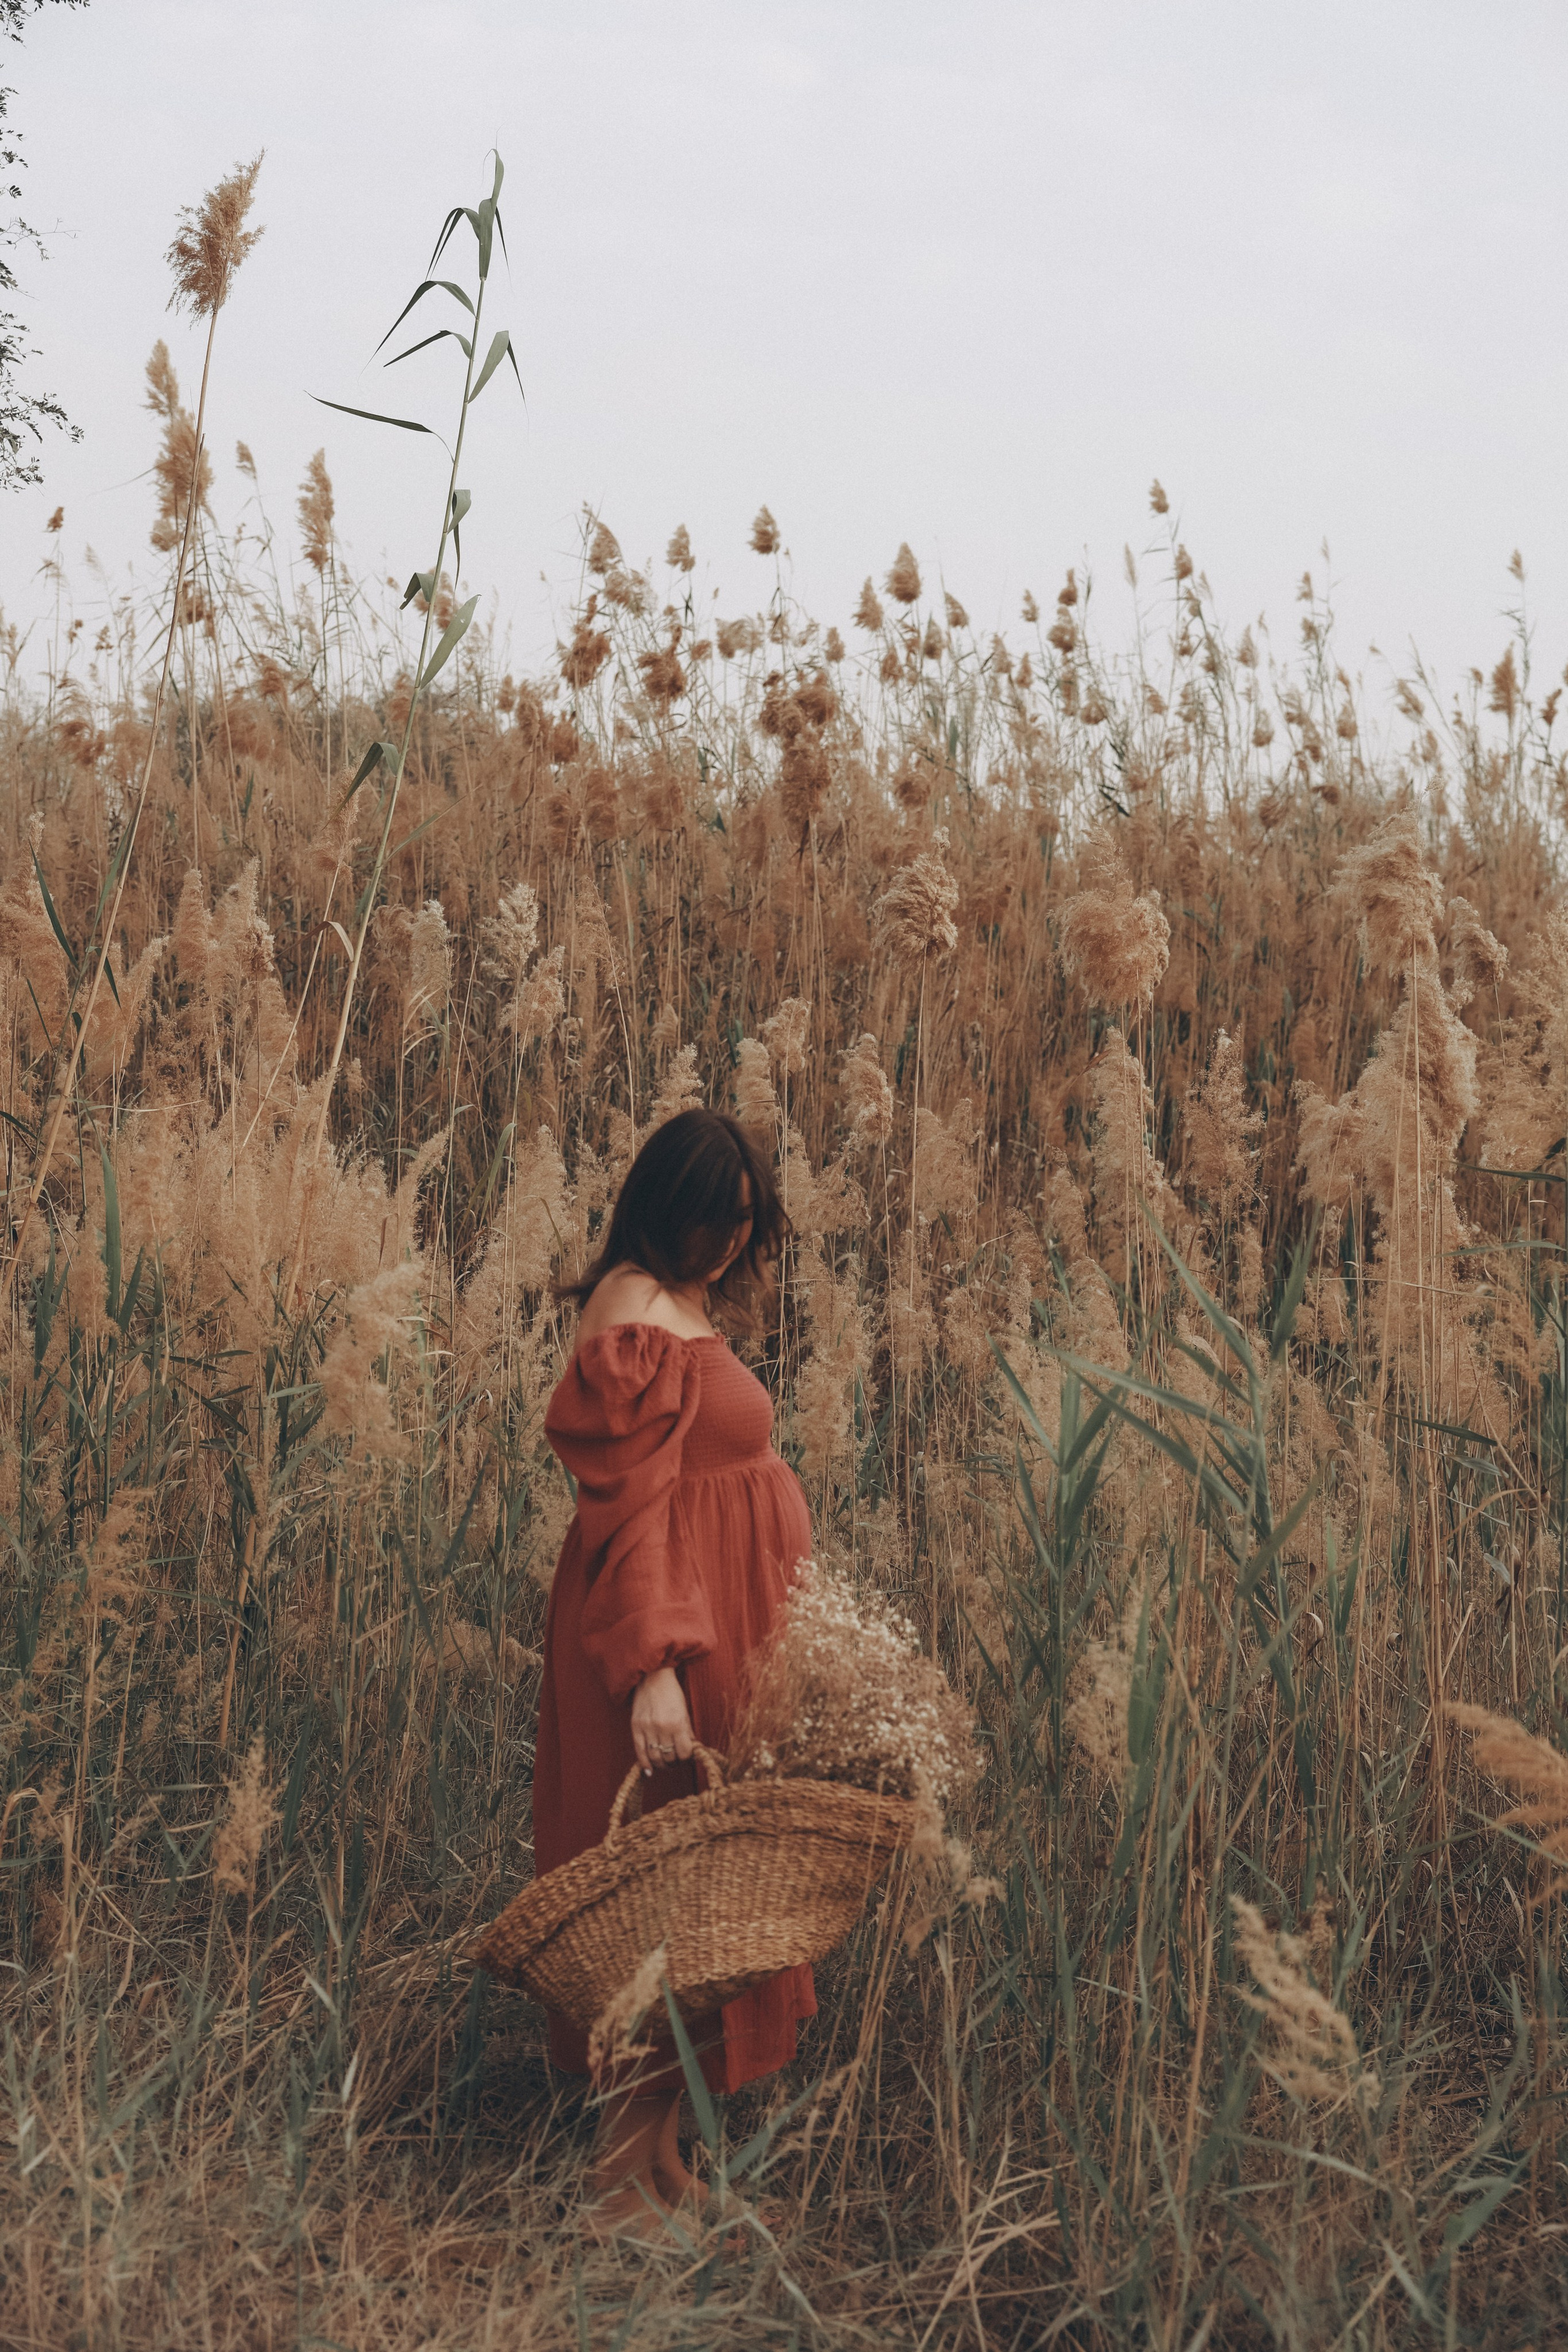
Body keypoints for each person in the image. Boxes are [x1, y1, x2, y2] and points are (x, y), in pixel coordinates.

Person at [533, 1106, 816, 2236]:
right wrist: (655, 1668)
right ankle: (614, 2188)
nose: (734, 1245)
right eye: (717, 1221)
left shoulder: (678, 1303)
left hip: (720, 1623)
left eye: (748, 1225)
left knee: (706, 1892)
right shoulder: (634, 1315)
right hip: (668, 1633)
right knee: (659, 1895)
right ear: (666, 1208)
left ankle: (661, 2166)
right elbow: (631, 1510)